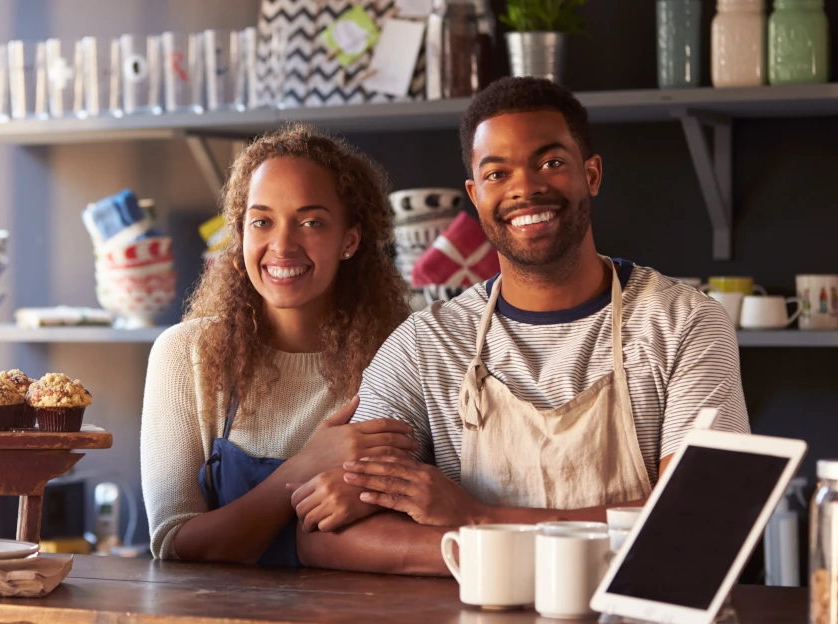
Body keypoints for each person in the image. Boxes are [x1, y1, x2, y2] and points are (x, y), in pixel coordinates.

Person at [289, 77, 752, 575]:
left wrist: (479, 520)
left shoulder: (684, 323)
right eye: (497, 173)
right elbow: (324, 535)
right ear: (475, 193)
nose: (525, 189)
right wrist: (497, 552)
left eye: (550, 163)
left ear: (591, 174)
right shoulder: (426, 345)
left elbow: (704, 522)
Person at [140, 124, 415, 567]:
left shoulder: (401, 353)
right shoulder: (184, 353)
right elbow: (174, 542)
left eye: (311, 222)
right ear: (241, 234)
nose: (282, 246)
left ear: (350, 240)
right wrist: (304, 467)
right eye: (262, 221)